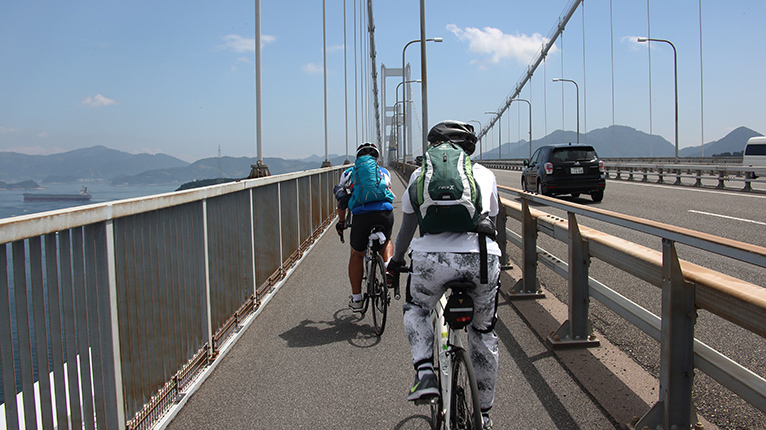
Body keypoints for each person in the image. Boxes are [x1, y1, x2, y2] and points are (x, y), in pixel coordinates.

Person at [387, 120, 501, 430]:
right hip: (481, 260)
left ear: (433, 148)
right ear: (470, 148)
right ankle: (485, 416)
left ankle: (424, 372)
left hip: (431, 262)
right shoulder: (486, 175)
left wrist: (396, 262)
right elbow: (492, 222)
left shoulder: (419, 175)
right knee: (484, 334)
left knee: (417, 308)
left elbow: (407, 230)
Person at [335, 142, 395, 312]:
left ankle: (357, 299)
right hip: (385, 214)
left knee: (357, 254)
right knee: (387, 241)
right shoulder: (384, 172)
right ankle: (388, 268)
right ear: (376, 158)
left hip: (361, 217)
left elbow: (342, 203)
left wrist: (341, 223)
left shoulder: (349, 173)